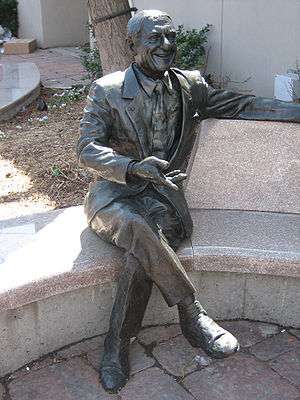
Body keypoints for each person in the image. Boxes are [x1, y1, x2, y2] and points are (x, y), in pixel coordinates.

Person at [78, 10, 300, 393]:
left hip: (164, 200)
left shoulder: (189, 85)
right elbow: (87, 150)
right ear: (132, 45)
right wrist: (132, 167)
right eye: (154, 39)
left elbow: (241, 106)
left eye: (170, 37)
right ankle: (191, 312)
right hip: (114, 197)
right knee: (136, 228)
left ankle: (117, 344)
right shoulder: (108, 90)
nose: (166, 46)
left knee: (141, 251)